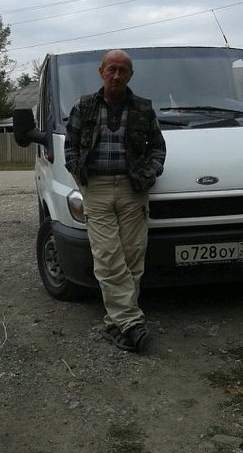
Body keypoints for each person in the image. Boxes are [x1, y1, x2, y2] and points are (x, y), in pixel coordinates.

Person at [64, 49, 166, 352]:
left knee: (133, 257)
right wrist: (81, 179)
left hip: (133, 189)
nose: (117, 75)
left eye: (123, 70)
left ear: (131, 75)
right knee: (108, 256)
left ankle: (116, 323)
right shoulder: (84, 106)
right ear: (101, 72)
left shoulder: (143, 108)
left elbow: (158, 149)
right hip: (96, 188)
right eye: (112, 69)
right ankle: (132, 322)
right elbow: (70, 147)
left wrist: (149, 174)